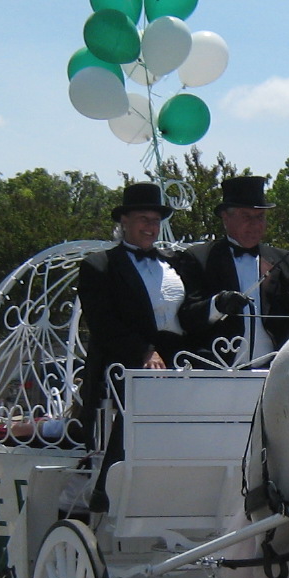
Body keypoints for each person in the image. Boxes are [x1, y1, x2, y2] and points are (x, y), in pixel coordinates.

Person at [73, 182, 199, 444]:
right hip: (126, 368)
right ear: (124, 220)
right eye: (143, 219)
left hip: (179, 365)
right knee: (132, 441)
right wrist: (145, 351)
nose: (151, 227)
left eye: (155, 220)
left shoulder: (176, 262)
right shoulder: (100, 266)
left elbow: (189, 311)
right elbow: (103, 324)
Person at [174, 176, 289, 368]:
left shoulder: (288, 261)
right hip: (216, 371)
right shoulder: (199, 258)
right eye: (246, 217)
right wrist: (217, 304)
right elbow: (187, 317)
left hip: (272, 373)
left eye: (260, 217)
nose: (255, 225)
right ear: (226, 217)